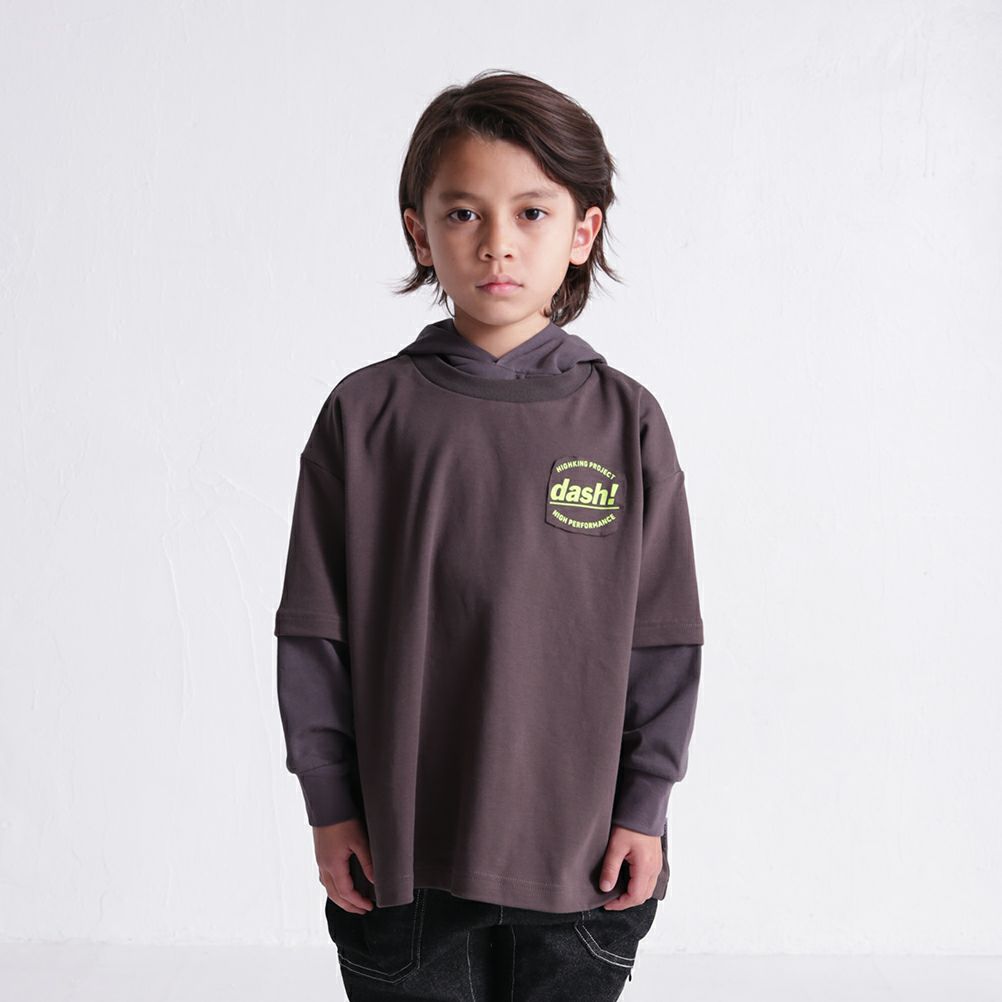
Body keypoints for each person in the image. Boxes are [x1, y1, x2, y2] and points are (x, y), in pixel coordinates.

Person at [274, 69, 705, 1000]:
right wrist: (330, 804)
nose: (497, 243)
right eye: (464, 213)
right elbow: (313, 631)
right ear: (418, 232)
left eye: (532, 213)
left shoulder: (626, 422)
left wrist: (645, 805)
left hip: (582, 865)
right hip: (403, 861)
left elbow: (664, 637)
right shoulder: (365, 416)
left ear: (583, 232)